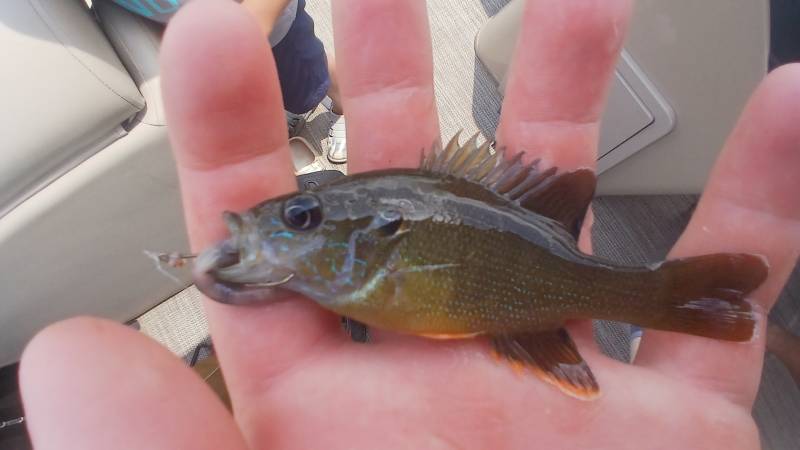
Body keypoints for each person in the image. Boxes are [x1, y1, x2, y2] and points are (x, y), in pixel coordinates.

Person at [19, 1, 800, 448]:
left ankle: (666, 295)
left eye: (302, 214)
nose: (287, 224)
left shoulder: (368, 269)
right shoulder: (345, 275)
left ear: (374, 234)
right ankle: (679, 298)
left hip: (529, 279)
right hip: (525, 292)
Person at [107, 0, 348, 163]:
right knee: (268, 84)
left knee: (309, 77)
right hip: (201, 34)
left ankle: (345, 103)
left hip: (271, 26)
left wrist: (257, 21)